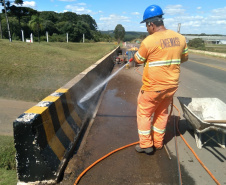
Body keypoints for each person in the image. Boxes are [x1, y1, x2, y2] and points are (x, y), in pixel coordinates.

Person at [133, 4, 188, 154]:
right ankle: (158, 143)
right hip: (171, 87)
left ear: (151, 24)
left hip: (152, 88)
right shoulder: (180, 38)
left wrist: (135, 56)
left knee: (144, 114)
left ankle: (146, 145)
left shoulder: (149, 41)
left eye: (146, 25)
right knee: (162, 113)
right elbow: (184, 58)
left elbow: (138, 60)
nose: (146, 28)